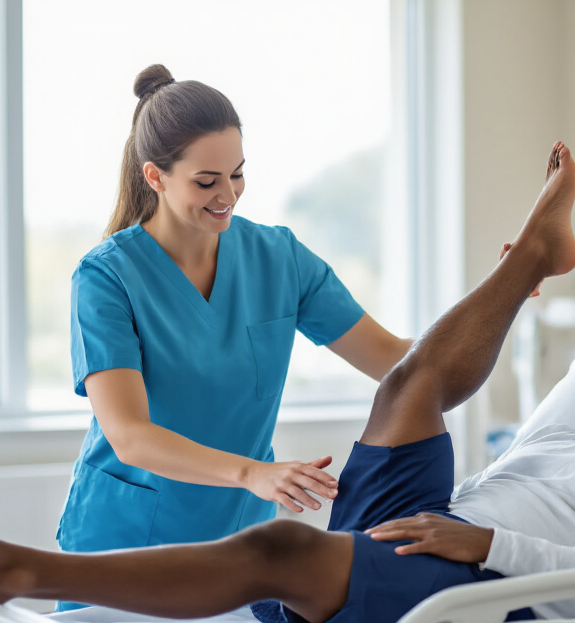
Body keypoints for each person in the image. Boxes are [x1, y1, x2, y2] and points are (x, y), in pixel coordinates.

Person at [0, 142, 575, 623]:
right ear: (155, 178)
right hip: (435, 535)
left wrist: (489, 543)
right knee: (409, 388)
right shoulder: (572, 438)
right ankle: (534, 255)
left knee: (280, 546)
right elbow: (407, 363)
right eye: (209, 179)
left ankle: (15, 571)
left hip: (483, 585)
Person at [61, 63, 411, 563]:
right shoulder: (106, 278)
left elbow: (394, 359)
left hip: (240, 544)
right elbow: (131, 437)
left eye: (237, 174)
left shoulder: (278, 258)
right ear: (155, 176)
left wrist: (495, 304)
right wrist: (255, 473)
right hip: (125, 545)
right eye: (206, 182)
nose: (227, 196)